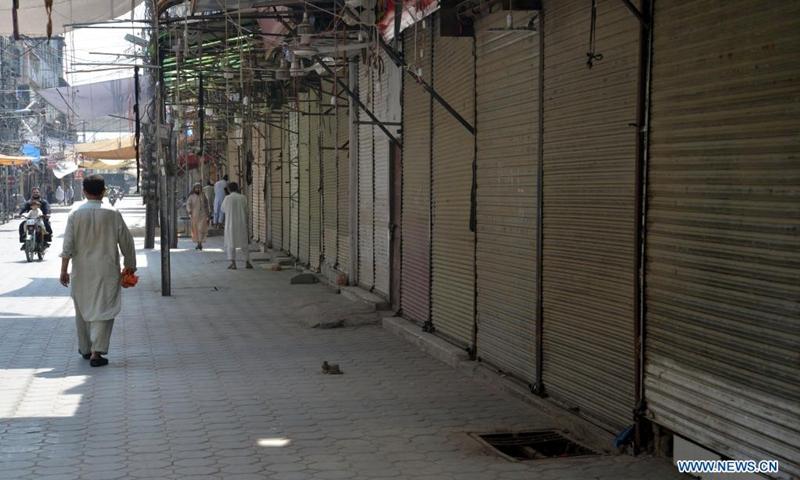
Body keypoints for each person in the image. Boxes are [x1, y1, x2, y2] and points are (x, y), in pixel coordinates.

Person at [59, 175, 136, 368]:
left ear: (84, 192)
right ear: (104, 191)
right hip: (107, 270)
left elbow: (67, 245)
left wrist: (63, 271)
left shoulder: (75, 214)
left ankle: (85, 348)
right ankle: (96, 352)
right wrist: (130, 266)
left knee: (83, 310)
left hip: (81, 272)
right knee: (104, 309)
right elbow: (127, 242)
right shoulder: (113, 213)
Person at [220, 182, 252, 270]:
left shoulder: (227, 198)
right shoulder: (243, 198)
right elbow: (246, 208)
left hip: (230, 224)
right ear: (238, 188)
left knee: (231, 244)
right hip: (241, 223)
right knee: (244, 243)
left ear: (229, 189)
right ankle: (247, 262)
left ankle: (233, 263)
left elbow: (222, 209)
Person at [186, 182, 210, 250]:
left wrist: (208, 213)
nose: (198, 189)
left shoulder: (203, 195)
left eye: (199, 187)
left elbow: (206, 205)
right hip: (194, 215)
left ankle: (200, 243)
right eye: (196, 188)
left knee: (201, 229)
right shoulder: (191, 196)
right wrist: (189, 210)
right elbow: (188, 204)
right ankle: (198, 243)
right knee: (196, 230)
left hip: (202, 214)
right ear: (194, 189)